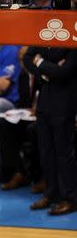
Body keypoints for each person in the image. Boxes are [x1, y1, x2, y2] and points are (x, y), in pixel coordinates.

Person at [22, 46, 77, 215]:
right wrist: (47, 72)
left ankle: (70, 198)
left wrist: (40, 61)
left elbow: (64, 72)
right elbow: (26, 58)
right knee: (46, 151)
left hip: (65, 102)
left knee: (64, 152)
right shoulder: (43, 35)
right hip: (44, 101)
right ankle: (51, 193)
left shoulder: (72, 38)